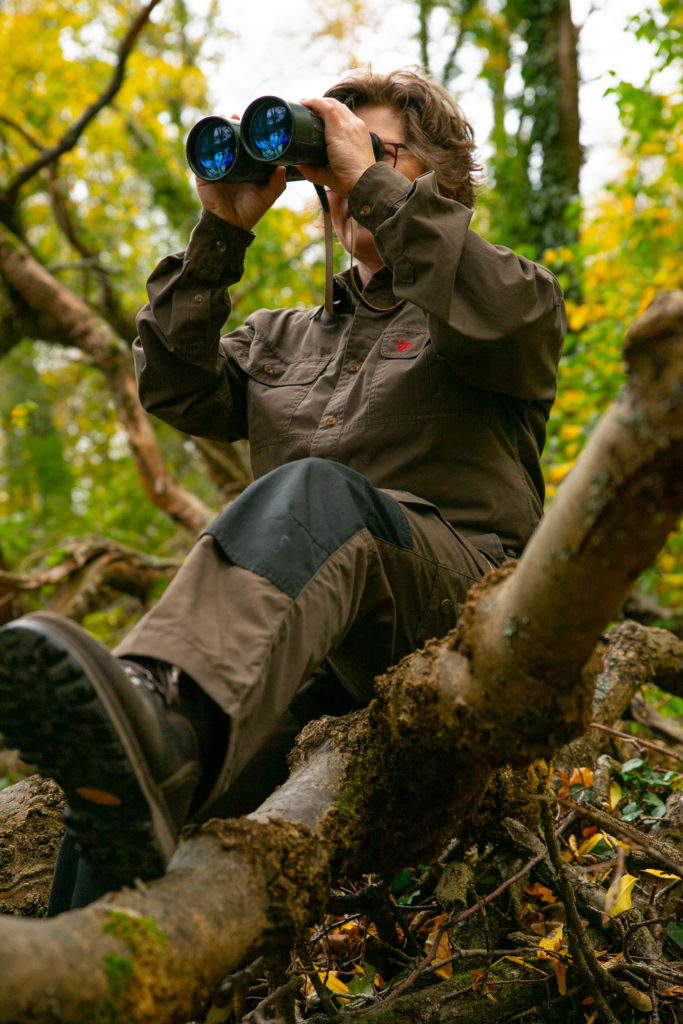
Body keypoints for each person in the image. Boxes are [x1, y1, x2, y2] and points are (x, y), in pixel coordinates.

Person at [0, 69, 565, 911]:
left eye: (379, 155)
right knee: (120, 809)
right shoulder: (284, 339)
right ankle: (87, 962)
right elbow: (173, 384)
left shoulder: (505, 298)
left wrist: (365, 181)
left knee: (316, 492)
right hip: (316, 655)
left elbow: (499, 317)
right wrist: (220, 229)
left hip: (460, 610)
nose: (346, 183)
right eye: (335, 163)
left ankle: (158, 704)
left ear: (441, 179)